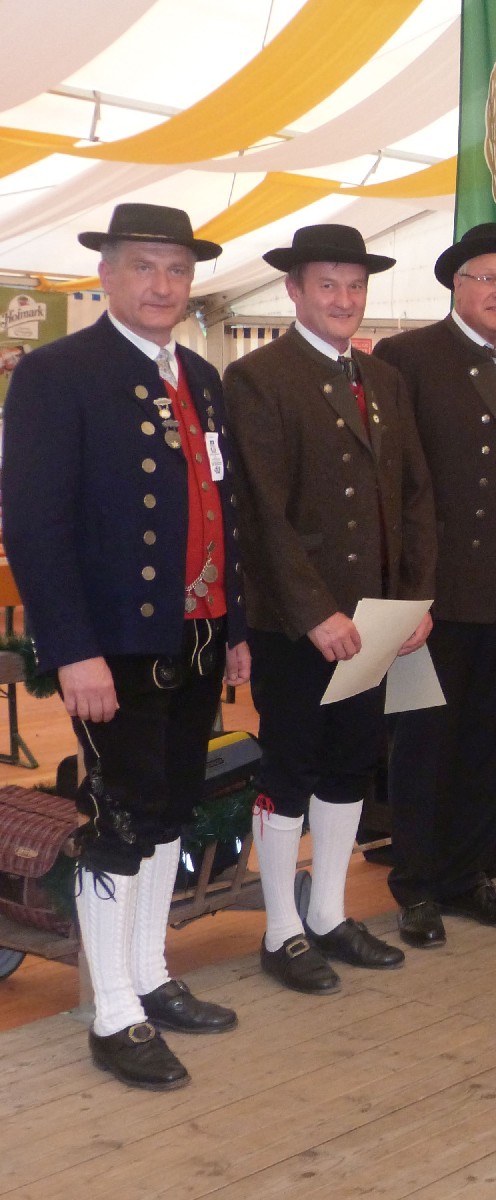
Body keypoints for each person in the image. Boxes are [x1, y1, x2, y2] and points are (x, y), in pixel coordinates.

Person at [3, 203, 249, 1089]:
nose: (162, 284)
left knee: (170, 811)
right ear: (104, 274)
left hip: (197, 632)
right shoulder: (57, 373)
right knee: (120, 820)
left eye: (177, 269)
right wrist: (72, 651)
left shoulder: (202, 377)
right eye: (143, 266)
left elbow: (224, 511)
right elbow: (34, 525)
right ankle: (112, 1011)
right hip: (114, 641)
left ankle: (149, 975)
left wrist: (237, 628)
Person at [224, 224, 435, 995]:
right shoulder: (258, 376)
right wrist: (314, 611)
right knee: (292, 766)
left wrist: (414, 599)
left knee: (351, 763)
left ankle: (330, 914)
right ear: (293, 290)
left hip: (376, 615)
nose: (344, 299)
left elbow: (415, 496)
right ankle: (281, 930)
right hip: (297, 623)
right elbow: (259, 511)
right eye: (328, 285)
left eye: (355, 285)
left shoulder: (382, 379)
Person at [373, 223, 496, 948]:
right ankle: (417, 885)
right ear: (457, 283)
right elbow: (394, 483)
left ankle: (467, 874)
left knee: (490, 740)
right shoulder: (409, 357)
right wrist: (407, 595)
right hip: (435, 597)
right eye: (488, 279)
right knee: (425, 742)